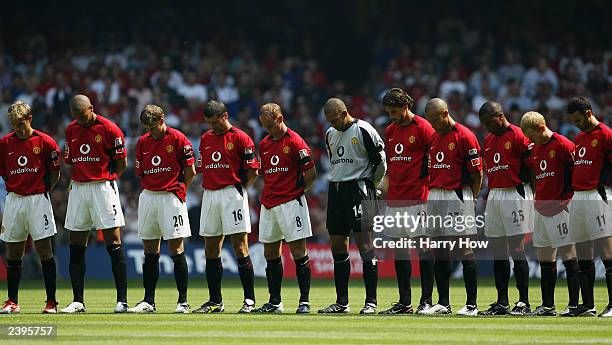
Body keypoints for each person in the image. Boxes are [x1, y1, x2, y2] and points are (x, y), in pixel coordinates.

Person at [318, 98, 386, 314]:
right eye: (329, 121)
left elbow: (381, 161)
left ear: (344, 112)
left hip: (359, 190)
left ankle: (371, 302)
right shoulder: (330, 134)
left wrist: (371, 186)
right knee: (338, 246)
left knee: (365, 245)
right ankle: (342, 302)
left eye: (335, 119)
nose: (333, 124)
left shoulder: (363, 129)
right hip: (336, 190)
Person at [61, 94, 129, 313]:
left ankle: (122, 300)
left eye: (83, 116)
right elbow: (70, 162)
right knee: (76, 244)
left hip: (102, 187)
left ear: (91, 108)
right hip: (79, 188)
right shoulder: (71, 129)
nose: (80, 120)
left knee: (113, 241)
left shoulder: (110, 129)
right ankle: (78, 301)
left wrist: (109, 181)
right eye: (76, 117)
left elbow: (121, 163)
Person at [127, 105, 195, 313]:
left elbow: (190, 171)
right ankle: (149, 301)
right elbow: (141, 173)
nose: (151, 130)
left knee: (176, 249)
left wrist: (181, 190)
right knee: (150, 251)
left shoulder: (178, 138)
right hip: (149, 197)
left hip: (171, 198)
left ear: (162, 119)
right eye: (147, 127)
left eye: (154, 126)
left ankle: (182, 301)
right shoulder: (142, 142)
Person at [192, 100, 259, 313]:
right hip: (210, 195)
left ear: (226, 116)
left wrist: (241, 192)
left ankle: (249, 300)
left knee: (240, 246)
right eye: (209, 123)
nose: (213, 127)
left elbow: (253, 171)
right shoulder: (205, 138)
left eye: (216, 122)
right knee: (211, 248)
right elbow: (203, 167)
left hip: (233, 194)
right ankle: (215, 301)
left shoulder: (241, 138)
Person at [419, 98, 482, 316]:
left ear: (445, 113)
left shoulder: (465, 136)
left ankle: (472, 305)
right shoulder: (434, 137)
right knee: (440, 250)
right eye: (429, 120)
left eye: (435, 119)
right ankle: (443, 304)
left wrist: (470, 199)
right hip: (435, 195)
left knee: (464, 249)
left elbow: (477, 175)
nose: (432, 124)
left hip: (457, 195)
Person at [253, 103, 316, 314]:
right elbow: (265, 175)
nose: (268, 130)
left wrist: (296, 193)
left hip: (291, 204)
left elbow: (311, 175)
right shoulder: (264, 144)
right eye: (265, 126)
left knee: (298, 251)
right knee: (270, 252)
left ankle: (304, 301)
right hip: (269, 204)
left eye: (270, 125)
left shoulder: (296, 142)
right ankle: (275, 302)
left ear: (280, 118)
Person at [379, 88, 436, 314]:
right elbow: (391, 167)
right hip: (396, 200)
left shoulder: (424, 128)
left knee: (424, 251)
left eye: (394, 111)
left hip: (419, 198)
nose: (391, 115)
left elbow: (433, 162)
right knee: (400, 252)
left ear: (406, 107)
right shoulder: (390, 130)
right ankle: (405, 302)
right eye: (388, 112)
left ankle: (426, 301)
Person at [0, 101, 61, 314]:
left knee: (44, 250)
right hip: (14, 200)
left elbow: (55, 173)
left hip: (38, 200)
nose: (18, 128)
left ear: (30, 119)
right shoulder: (5, 144)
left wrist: (42, 190)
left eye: (21, 123)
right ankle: (12, 302)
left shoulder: (45, 142)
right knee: (13, 251)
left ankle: (51, 302)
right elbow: (3, 172)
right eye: (14, 124)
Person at [519, 111, 580, 316]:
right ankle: (548, 306)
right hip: (541, 210)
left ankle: (573, 305)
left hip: (562, 208)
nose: (530, 140)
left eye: (531, 135)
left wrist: (569, 202)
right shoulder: (534, 149)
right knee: (546, 260)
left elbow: (577, 175)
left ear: (541, 128)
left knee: (569, 257)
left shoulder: (563, 145)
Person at [478, 101, 533, 316]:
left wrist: (535, 198)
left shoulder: (519, 135)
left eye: (489, 122)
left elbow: (533, 169)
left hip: (516, 193)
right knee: (498, 251)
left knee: (517, 249)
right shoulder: (488, 139)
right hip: (496, 194)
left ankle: (524, 302)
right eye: (483, 124)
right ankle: (502, 302)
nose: (486, 127)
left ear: (500, 117)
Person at [565, 96, 612, 317]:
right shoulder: (580, 136)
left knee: (606, 251)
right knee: (584, 252)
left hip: (598, 196)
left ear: (588, 113)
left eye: (578, 119)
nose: (576, 124)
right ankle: (588, 305)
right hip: (579, 197)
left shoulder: (606, 134)